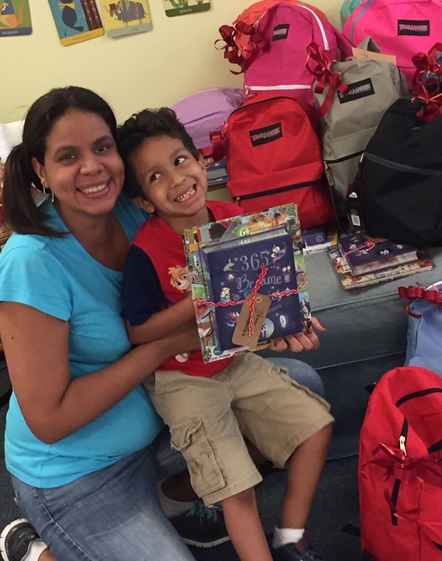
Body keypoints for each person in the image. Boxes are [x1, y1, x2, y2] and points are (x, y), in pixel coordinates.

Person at [0, 86, 328, 561]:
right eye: (68, 156)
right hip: (78, 472)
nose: (92, 167)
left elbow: (226, 290)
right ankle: (37, 548)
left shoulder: (135, 207)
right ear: (40, 171)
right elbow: (49, 421)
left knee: (300, 388)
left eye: (102, 148)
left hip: (161, 421)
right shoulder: (31, 264)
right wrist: (162, 346)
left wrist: (279, 318)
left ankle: (169, 500)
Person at [115, 106, 334, 561]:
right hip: (182, 378)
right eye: (155, 177)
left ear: (201, 161)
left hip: (235, 360)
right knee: (236, 487)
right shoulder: (146, 251)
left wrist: (286, 320)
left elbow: (260, 297)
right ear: (144, 202)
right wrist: (200, 298)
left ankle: (290, 538)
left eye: (180, 160)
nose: (177, 179)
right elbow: (138, 331)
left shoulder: (234, 219)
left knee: (315, 427)